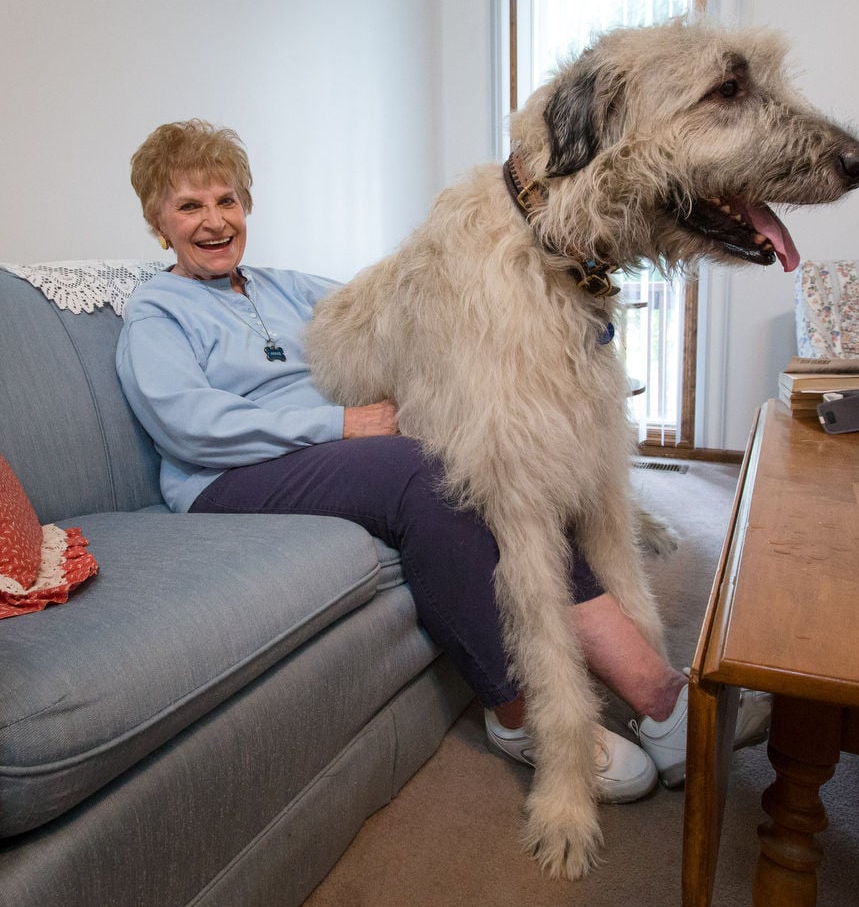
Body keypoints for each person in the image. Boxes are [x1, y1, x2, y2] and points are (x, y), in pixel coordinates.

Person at [117, 119, 770, 801]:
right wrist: (344, 423)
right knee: (426, 478)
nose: (215, 221)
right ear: (158, 221)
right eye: (190, 206)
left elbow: (390, 316)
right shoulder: (158, 310)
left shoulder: (288, 288)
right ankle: (520, 715)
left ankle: (662, 702)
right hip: (227, 477)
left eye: (226, 200)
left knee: (492, 464)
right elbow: (188, 424)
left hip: (331, 452)